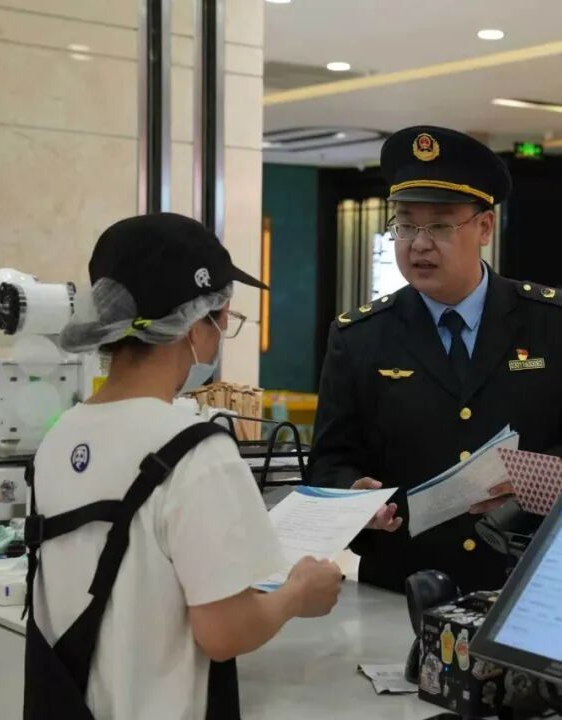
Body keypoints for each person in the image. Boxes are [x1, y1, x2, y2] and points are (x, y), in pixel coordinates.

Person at [24, 213, 351, 719]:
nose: (219, 336)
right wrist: (297, 595)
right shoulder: (196, 450)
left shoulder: (60, 436)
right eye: (223, 320)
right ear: (195, 325)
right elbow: (225, 632)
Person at [309, 126, 562, 594]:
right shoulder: (360, 335)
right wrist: (353, 493)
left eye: (440, 226)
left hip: (529, 579)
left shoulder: (556, 322)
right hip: (404, 586)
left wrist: (531, 479)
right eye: (406, 225)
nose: (419, 244)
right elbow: (329, 462)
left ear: (484, 227)